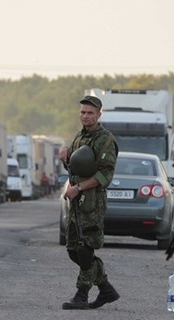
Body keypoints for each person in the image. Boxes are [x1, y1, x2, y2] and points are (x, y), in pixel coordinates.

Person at [58, 95, 119, 310]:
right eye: (83, 112)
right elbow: (76, 167)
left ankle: (81, 295)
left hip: (92, 201)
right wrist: (65, 153)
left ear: (99, 115)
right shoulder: (79, 137)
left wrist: (79, 188)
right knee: (73, 250)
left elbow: (105, 175)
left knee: (86, 248)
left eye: (90, 113)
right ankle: (106, 289)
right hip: (77, 200)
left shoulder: (105, 139)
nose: (85, 116)